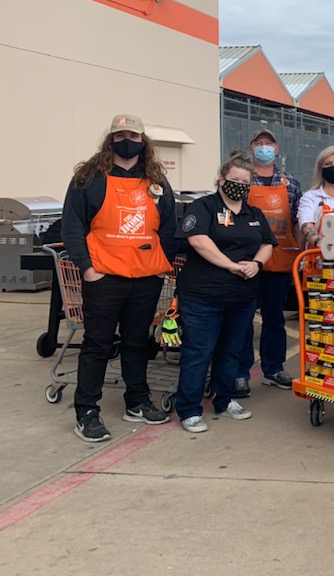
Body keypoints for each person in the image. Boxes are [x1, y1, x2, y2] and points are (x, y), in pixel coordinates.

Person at [62, 114, 177, 442]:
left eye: (134, 135)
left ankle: (137, 401)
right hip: (104, 278)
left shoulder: (156, 181)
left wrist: (161, 265)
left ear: (144, 141)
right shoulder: (88, 178)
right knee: (97, 344)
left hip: (145, 278)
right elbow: (72, 226)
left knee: (137, 343)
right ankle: (87, 411)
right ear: (110, 139)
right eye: (121, 134)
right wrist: (87, 268)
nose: (128, 140)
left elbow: (168, 226)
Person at [174, 151, 276, 433]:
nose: (240, 185)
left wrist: (257, 263)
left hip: (241, 297)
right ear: (221, 180)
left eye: (245, 182)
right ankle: (189, 409)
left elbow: (268, 243)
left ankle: (225, 399)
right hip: (203, 296)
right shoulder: (203, 207)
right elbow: (198, 241)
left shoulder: (253, 214)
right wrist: (231, 265)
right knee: (198, 352)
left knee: (230, 351)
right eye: (234, 180)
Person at [236, 129, 303, 396]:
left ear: (277, 149)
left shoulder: (291, 182)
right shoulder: (241, 179)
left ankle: (274, 369)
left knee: (275, 318)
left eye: (269, 143)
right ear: (251, 147)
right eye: (259, 143)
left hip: (281, 260)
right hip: (248, 261)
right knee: (243, 319)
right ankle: (240, 372)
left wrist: (298, 253)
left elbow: (297, 220)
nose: (264, 147)